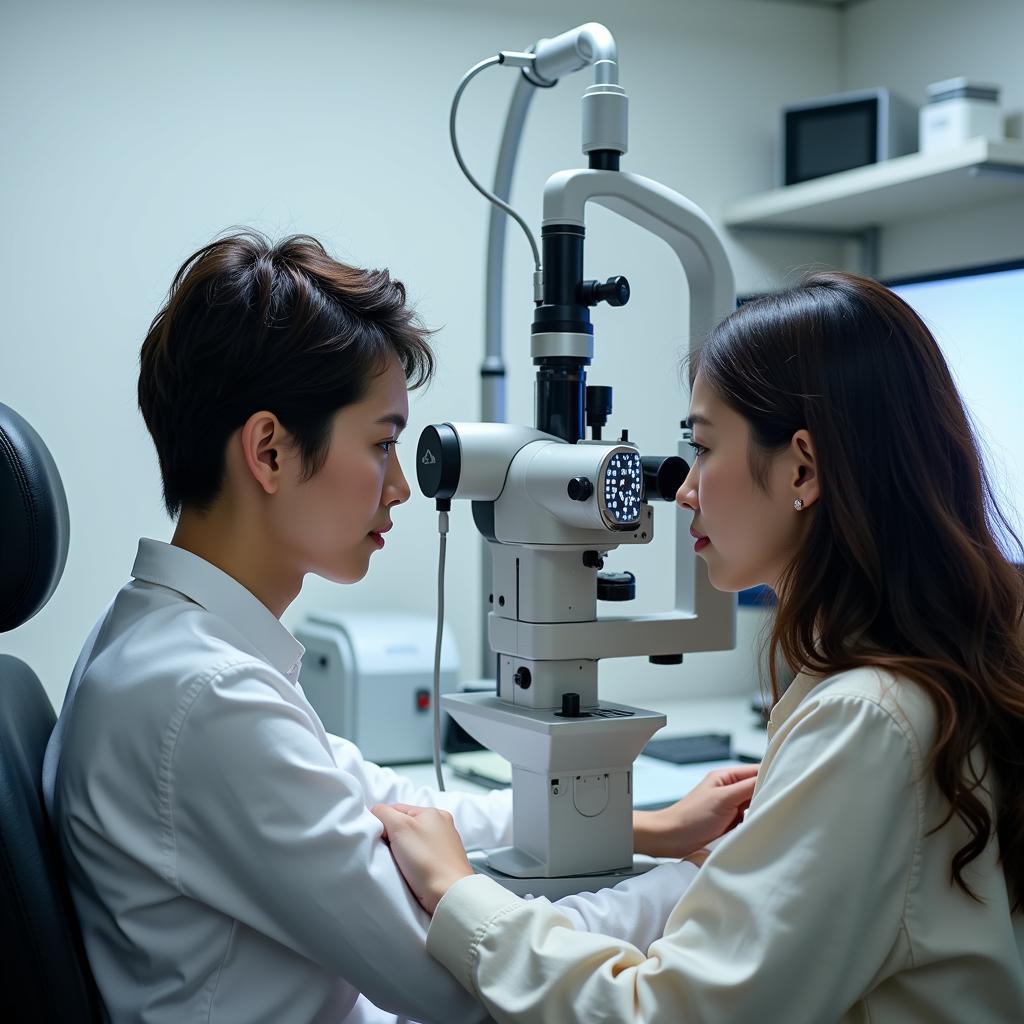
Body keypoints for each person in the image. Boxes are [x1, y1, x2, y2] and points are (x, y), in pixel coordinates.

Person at [41, 230, 758, 1024]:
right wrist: (711, 885)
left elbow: (397, 805)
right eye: (382, 444)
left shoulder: (166, 641)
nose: (400, 490)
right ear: (270, 451)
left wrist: (646, 829)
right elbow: (455, 981)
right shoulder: (204, 696)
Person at [374, 271, 1024, 1022]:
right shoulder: (921, 677)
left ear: (802, 469)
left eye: (704, 448)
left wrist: (461, 898)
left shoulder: (868, 721)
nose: (684, 489)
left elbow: (665, 1015)